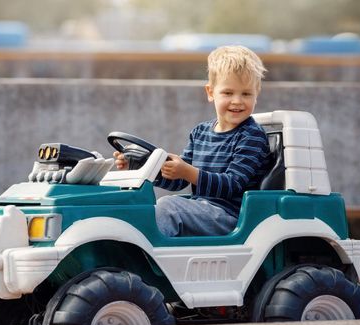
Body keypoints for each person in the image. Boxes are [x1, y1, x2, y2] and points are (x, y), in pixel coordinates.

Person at [114, 45, 271, 237]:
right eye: (228, 93)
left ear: (257, 93)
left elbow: (233, 184)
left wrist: (188, 172)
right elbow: (179, 181)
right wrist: (142, 166)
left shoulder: (251, 136)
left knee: (169, 207)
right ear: (211, 92)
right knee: (144, 205)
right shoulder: (200, 132)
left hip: (233, 217)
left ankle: (138, 252)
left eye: (246, 94)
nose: (237, 101)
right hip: (202, 210)